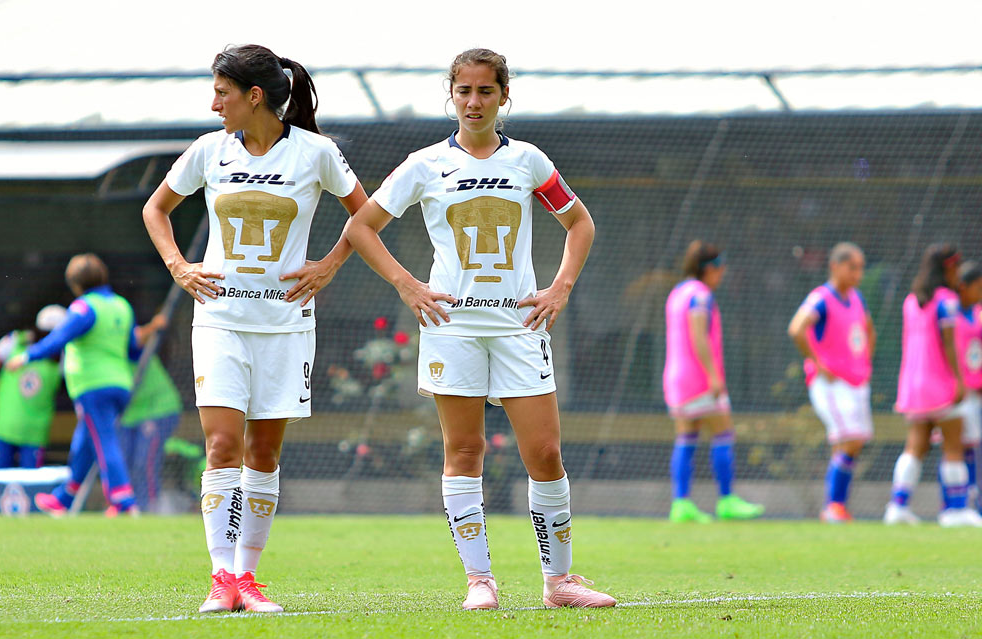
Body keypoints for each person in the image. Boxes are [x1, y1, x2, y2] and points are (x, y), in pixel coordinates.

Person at [347, 48, 614, 611]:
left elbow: (579, 223)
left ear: (503, 97)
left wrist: (560, 287)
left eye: (485, 91)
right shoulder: (424, 165)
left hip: (519, 328)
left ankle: (560, 582)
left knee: (544, 452)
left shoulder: (529, 162)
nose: (474, 102)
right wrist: (409, 286)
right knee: (463, 449)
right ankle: (479, 581)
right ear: (452, 96)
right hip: (452, 328)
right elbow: (362, 228)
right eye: (464, 91)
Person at [141, 44, 367, 614]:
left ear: (254, 96)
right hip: (219, 321)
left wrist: (328, 266)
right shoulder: (208, 151)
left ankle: (249, 578)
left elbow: (366, 214)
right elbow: (156, 209)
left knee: (263, 453)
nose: (213, 103)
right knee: (221, 444)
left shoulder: (316, 153)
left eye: (222, 92)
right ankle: (222, 579)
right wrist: (179, 267)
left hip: (286, 326)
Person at [6, 253, 141, 517]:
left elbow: (60, 337)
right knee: (85, 441)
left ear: (76, 284)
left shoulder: (84, 307)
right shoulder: (122, 306)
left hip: (93, 385)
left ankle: (123, 500)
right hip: (120, 383)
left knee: (104, 440)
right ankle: (64, 498)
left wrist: (27, 356)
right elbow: (133, 349)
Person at [662, 240, 764, 523]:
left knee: (686, 436)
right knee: (723, 433)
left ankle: (681, 504)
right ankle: (727, 499)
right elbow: (698, 336)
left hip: (676, 378)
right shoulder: (701, 296)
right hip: (698, 378)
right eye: (720, 269)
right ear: (710, 269)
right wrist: (713, 375)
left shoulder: (678, 292)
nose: (722, 275)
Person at [887, 244, 980, 527]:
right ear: (949, 267)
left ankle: (897, 506)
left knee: (915, 447)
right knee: (953, 446)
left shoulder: (912, 300)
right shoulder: (947, 300)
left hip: (913, 385)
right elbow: (949, 344)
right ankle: (955, 510)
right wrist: (959, 380)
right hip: (940, 383)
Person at [787, 243, 876, 523]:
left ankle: (836, 507)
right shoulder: (821, 298)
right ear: (835, 266)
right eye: (853, 267)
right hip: (831, 383)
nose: (858, 274)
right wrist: (817, 362)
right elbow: (796, 328)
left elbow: (868, 330)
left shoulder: (857, 298)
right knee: (850, 438)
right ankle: (832, 506)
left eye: (861, 268)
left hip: (855, 382)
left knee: (852, 443)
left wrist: (865, 361)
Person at [0, 304, 67, 469]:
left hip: (34, 433)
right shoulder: (14, 341)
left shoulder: (63, 357)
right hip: (3, 426)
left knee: (30, 487)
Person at [119, 316, 184, 513]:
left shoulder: (126, 345)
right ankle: (128, 507)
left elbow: (135, 337)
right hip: (131, 414)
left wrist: (154, 325)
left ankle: (149, 509)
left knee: (144, 460)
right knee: (123, 462)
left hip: (158, 409)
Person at [951, 261, 982, 509]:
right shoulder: (949, 313)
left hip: (978, 390)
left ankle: (972, 503)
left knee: (972, 445)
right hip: (957, 391)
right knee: (958, 447)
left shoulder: (978, 312)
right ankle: (954, 503)